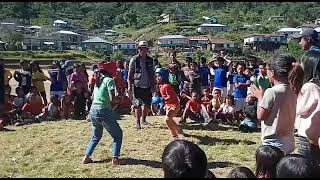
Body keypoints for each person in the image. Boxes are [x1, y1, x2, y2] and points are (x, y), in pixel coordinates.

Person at [250, 54, 304, 155]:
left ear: (273, 72)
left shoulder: (272, 92)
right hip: (289, 141)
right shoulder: (294, 90)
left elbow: (260, 116)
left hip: (273, 144)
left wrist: (260, 97)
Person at [83, 62, 123, 165]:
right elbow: (112, 99)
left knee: (96, 136)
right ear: (111, 71)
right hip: (103, 110)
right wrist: (119, 98)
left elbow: (93, 98)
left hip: (93, 110)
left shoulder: (98, 81)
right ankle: (115, 158)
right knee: (118, 135)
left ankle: (87, 156)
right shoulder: (109, 80)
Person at [295, 54, 320, 166]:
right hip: (314, 134)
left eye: (302, 63)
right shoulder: (316, 85)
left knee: (306, 166)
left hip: (306, 134)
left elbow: (302, 110)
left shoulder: (309, 87)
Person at [128, 41, 155, 129]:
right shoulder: (134, 59)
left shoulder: (150, 60)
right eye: (141, 48)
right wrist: (129, 86)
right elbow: (130, 74)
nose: (142, 50)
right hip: (137, 85)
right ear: (138, 49)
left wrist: (154, 86)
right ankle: (138, 123)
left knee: (147, 105)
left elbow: (152, 74)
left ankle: (143, 120)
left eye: (144, 48)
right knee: (137, 105)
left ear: (147, 50)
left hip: (148, 85)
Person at [156, 69, 184, 140]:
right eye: (156, 76)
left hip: (174, 105)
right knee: (169, 119)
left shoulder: (166, 86)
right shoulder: (161, 86)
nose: (157, 78)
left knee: (167, 119)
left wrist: (162, 100)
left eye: (159, 76)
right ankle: (179, 129)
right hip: (169, 105)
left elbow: (171, 96)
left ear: (163, 76)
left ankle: (174, 135)